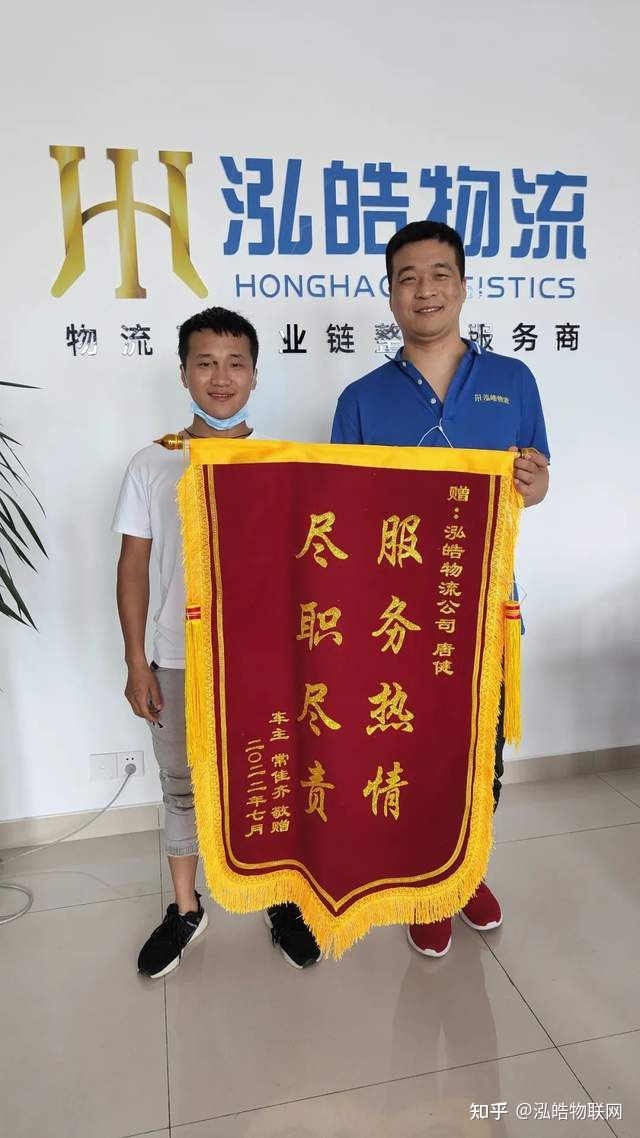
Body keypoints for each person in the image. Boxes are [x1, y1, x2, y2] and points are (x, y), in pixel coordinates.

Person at [331, 220, 550, 958]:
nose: (424, 290)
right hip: (396, 618)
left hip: (486, 607)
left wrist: (534, 483)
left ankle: (467, 872)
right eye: (407, 277)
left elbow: (537, 482)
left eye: (438, 274)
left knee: (481, 759)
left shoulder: (513, 381)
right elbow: (341, 512)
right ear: (390, 293)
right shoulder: (361, 399)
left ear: (461, 284)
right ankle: (425, 887)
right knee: (411, 753)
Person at [113, 305, 320, 977]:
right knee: (182, 785)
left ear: (255, 375)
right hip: (177, 658)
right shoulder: (153, 462)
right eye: (205, 363)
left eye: (235, 363)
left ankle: (278, 900)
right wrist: (136, 661)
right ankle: (185, 909)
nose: (221, 377)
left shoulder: (284, 464)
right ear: (183, 373)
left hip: (265, 662)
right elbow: (134, 567)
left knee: (273, 779)